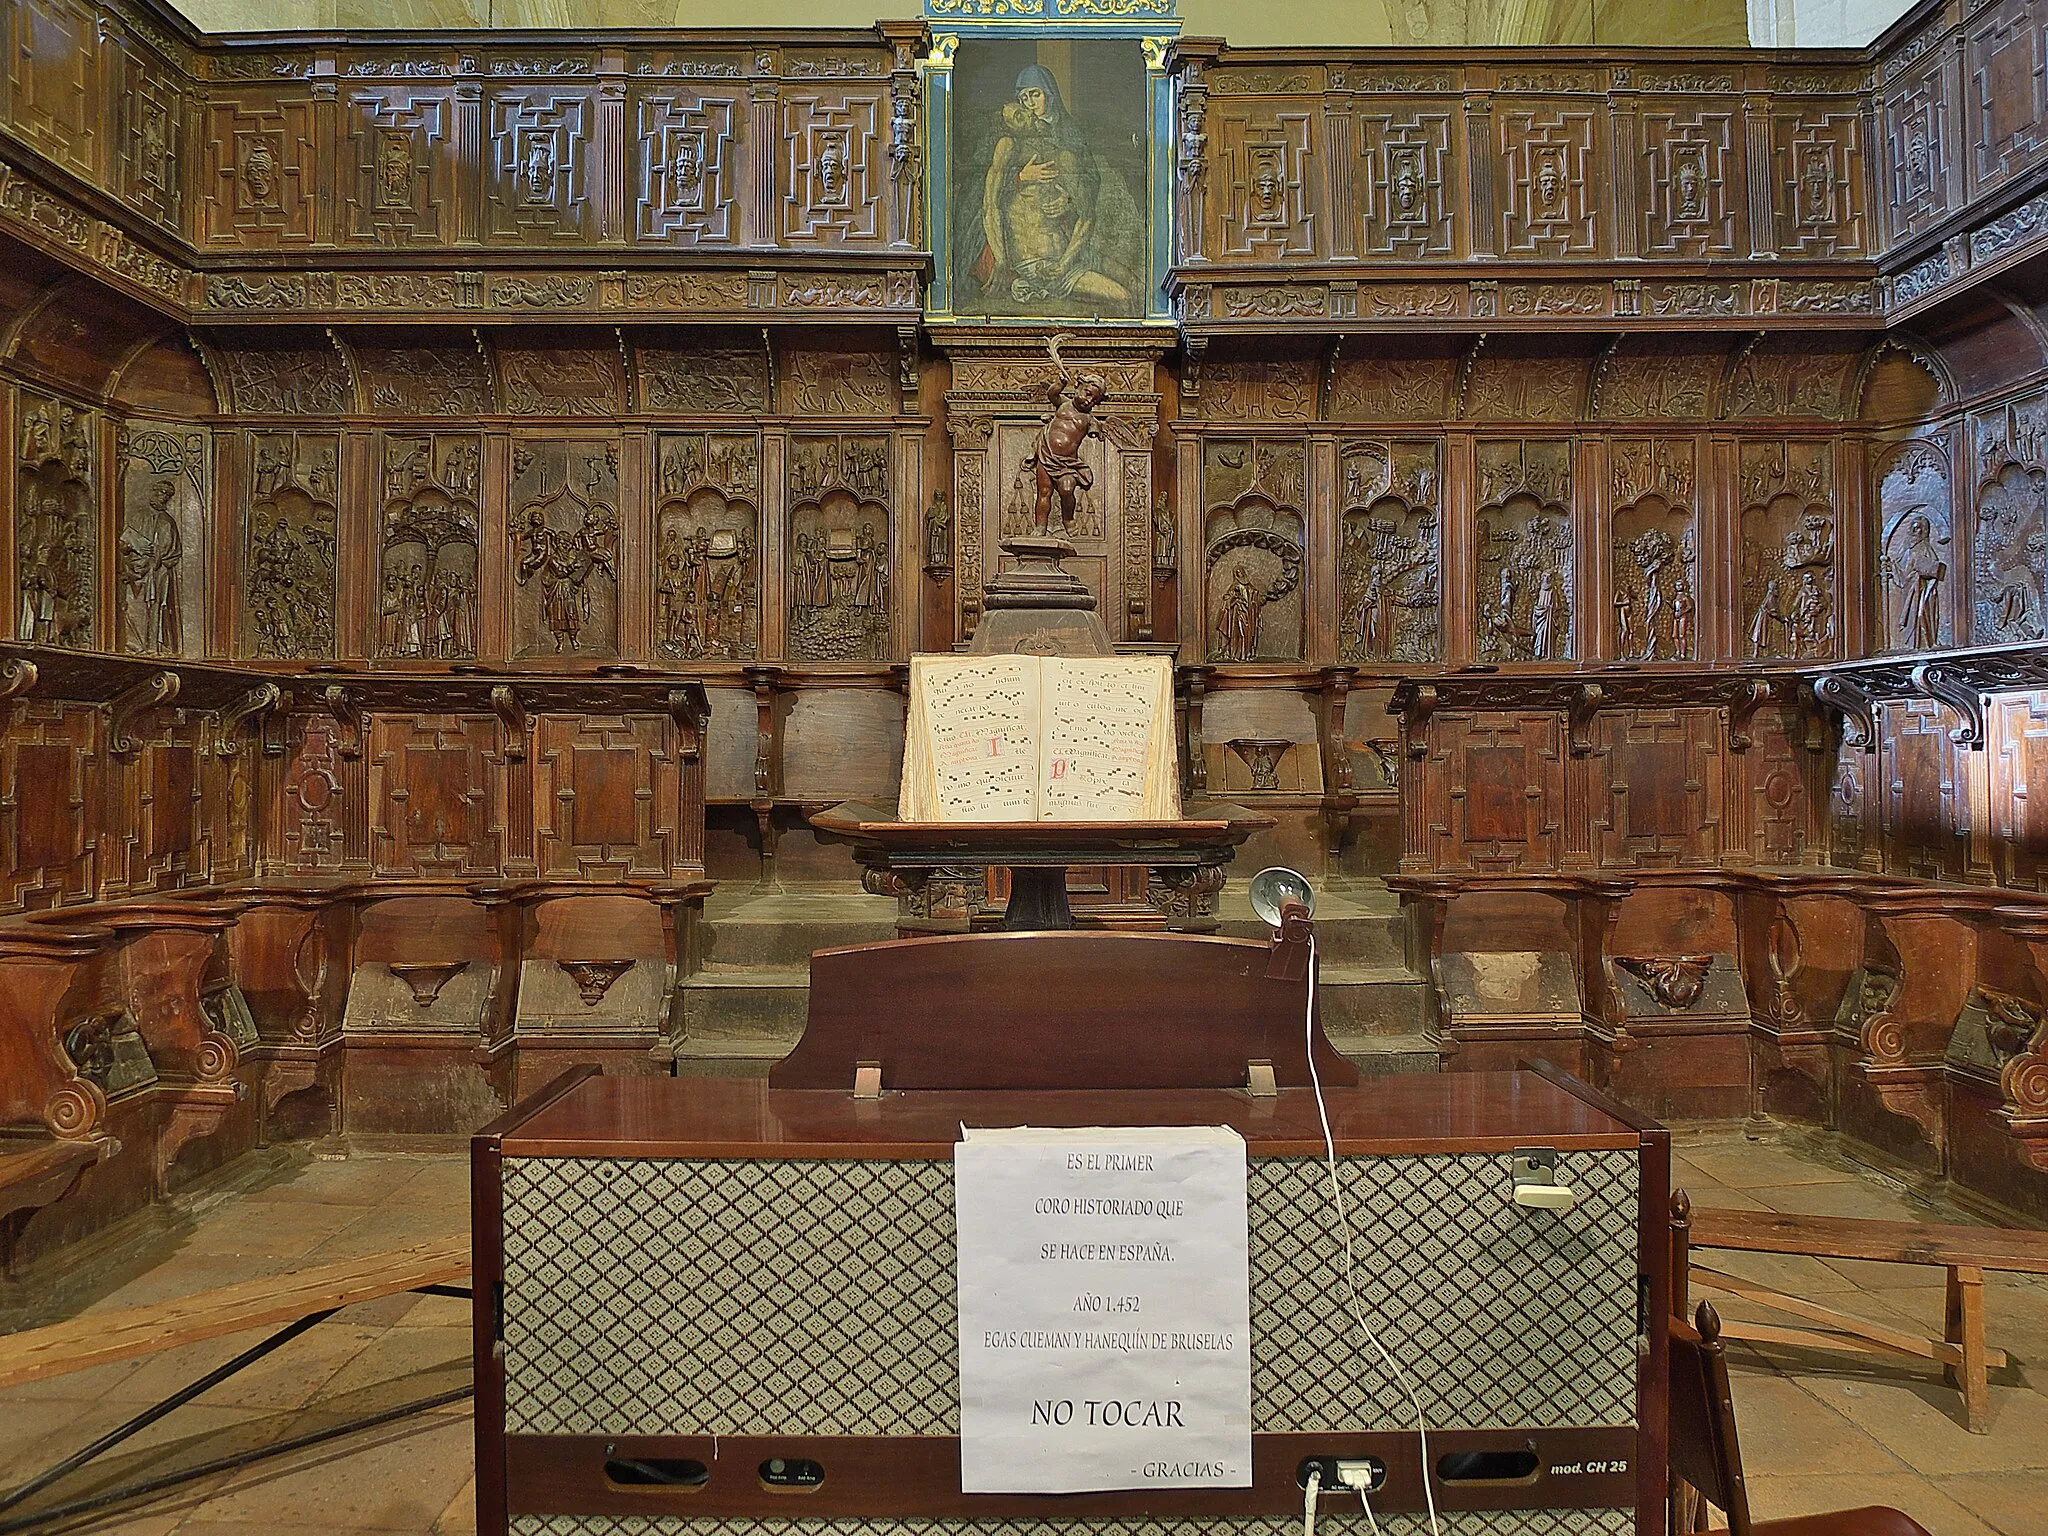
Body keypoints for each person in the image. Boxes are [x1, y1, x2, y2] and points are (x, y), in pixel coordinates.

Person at [972, 65, 1139, 315]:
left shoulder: (1067, 141)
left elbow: (1089, 190)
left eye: (1035, 95)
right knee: (1120, 292)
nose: (1029, 105)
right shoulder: (1009, 147)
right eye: (1023, 99)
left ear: (1049, 95)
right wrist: (1020, 177)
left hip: (1066, 249)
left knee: (1132, 284)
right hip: (1031, 258)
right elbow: (988, 202)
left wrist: (1069, 201)